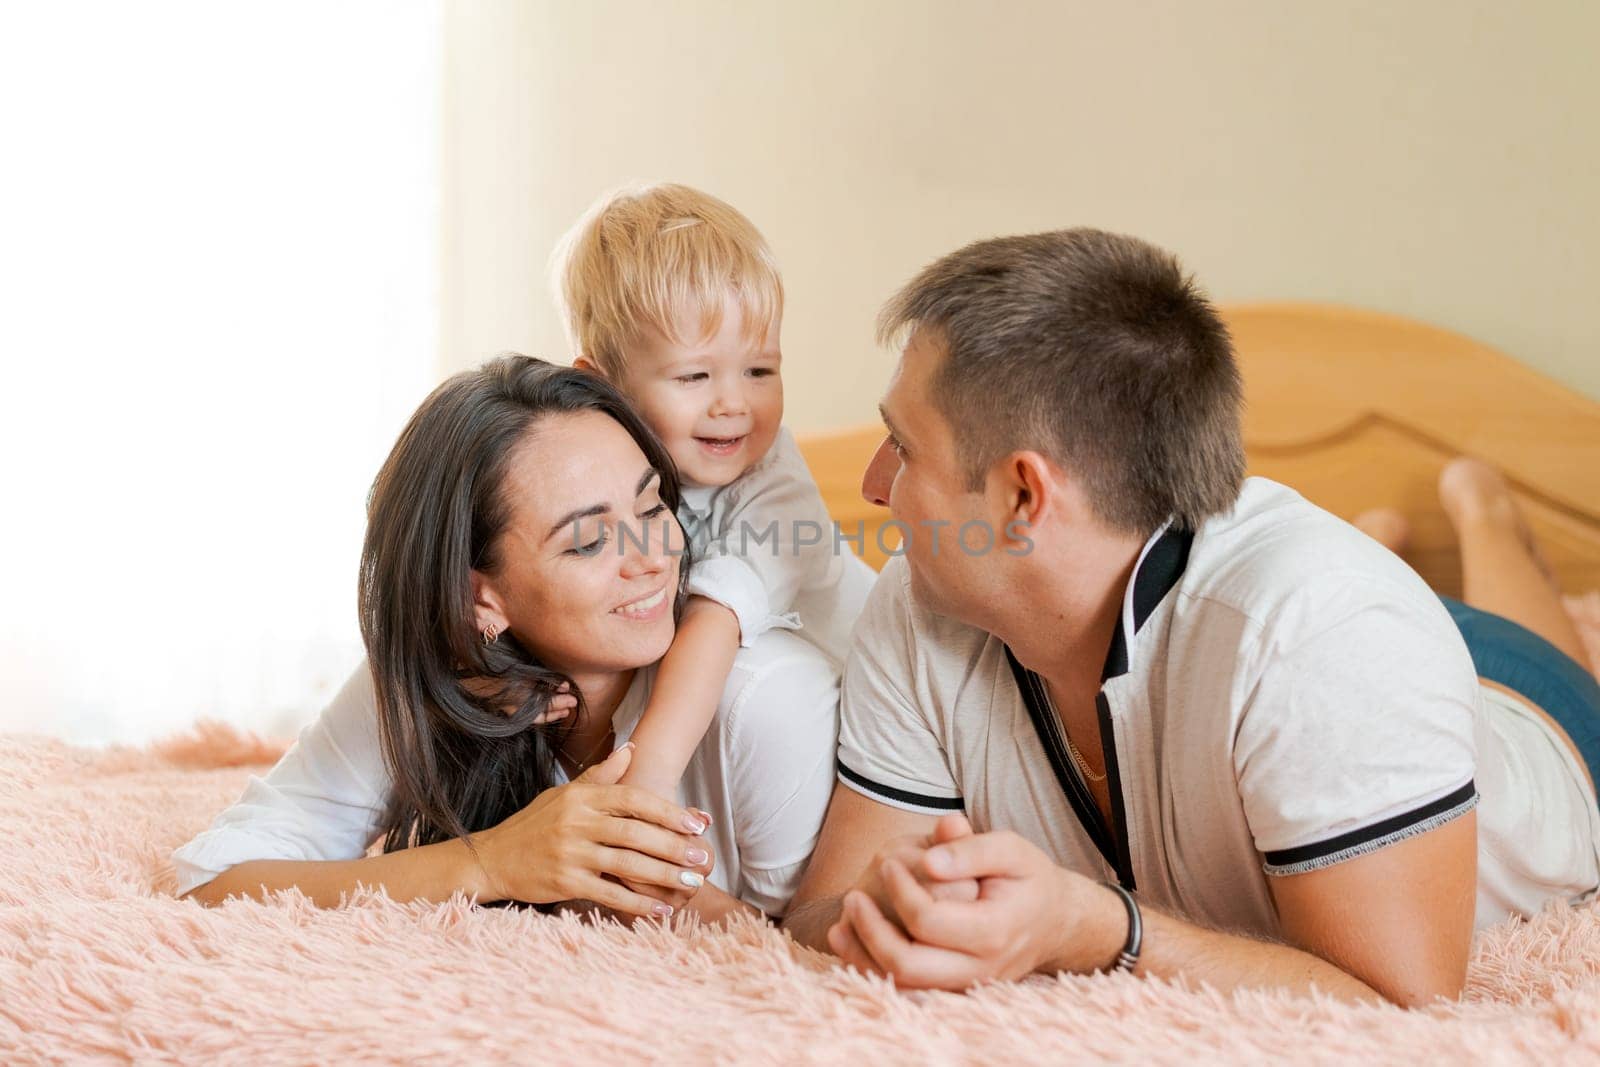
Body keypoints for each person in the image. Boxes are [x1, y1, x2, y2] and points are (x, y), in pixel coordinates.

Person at [781, 229, 1600, 1007]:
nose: (873, 485)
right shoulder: (923, 599)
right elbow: (822, 908)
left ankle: (1488, 513)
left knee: (1513, 634)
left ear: (1024, 495)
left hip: (1536, 710)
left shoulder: (1333, 637)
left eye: (903, 446)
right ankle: (1383, 530)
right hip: (1310, 643)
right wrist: (881, 912)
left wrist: (1100, 927)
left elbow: (1399, 1003)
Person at [174, 356, 840, 921]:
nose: (653, 556)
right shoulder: (436, 677)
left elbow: (806, 968)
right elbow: (212, 880)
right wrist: (493, 860)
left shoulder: (767, 698)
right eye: (588, 539)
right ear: (478, 596)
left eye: (651, 506)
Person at [550, 182, 876, 801]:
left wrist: (640, 788)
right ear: (599, 386)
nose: (734, 404)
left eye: (760, 371)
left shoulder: (774, 488)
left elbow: (709, 628)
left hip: (864, 733)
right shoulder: (590, 471)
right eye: (695, 375)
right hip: (731, 739)